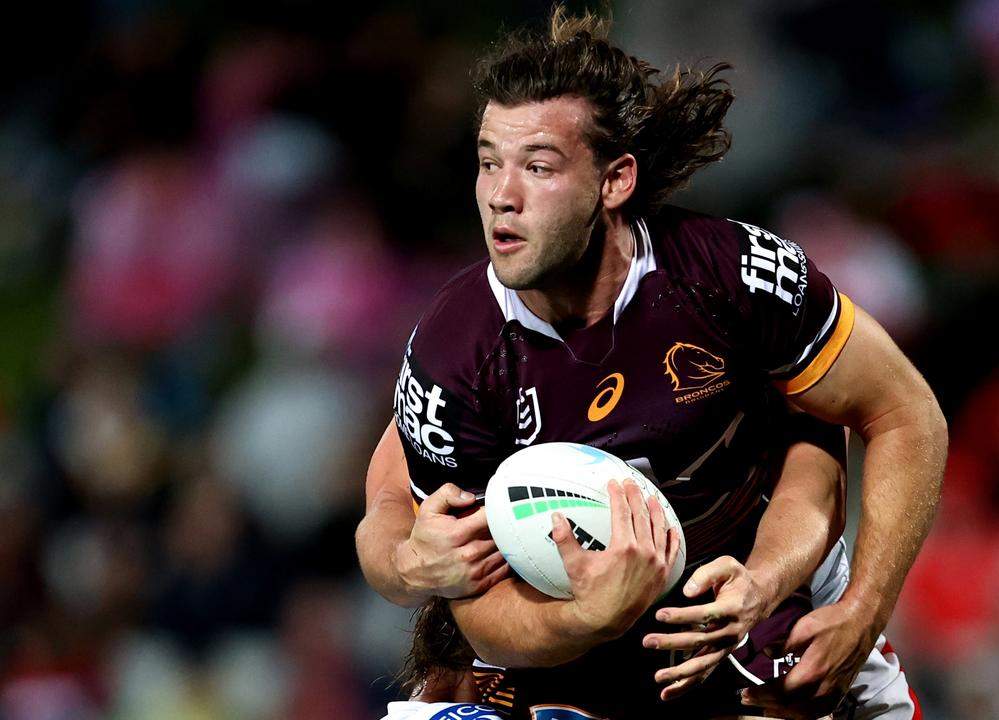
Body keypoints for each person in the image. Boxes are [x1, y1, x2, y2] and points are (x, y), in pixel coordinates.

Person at [355, 7, 947, 719]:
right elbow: (476, 612)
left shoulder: (732, 277)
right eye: (488, 162)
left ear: (615, 181)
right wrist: (589, 618)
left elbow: (901, 414)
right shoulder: (457, 354)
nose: (500, 196)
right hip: (565, 650)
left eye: (538, 167)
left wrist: (861, 608)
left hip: (764, 614)